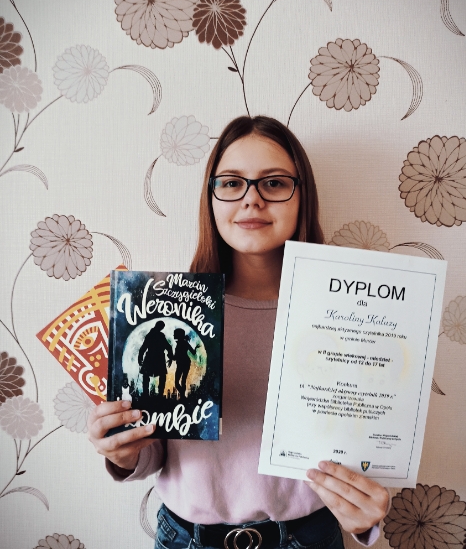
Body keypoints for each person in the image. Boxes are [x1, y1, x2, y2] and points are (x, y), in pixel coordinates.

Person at [87, 116, 390, 549]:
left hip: (308, 537)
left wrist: (363, 516)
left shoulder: (349, 317)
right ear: (210, 197)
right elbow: (158, 446)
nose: (252, 199)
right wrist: (123, 451)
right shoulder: (167, 309)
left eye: (274, 183)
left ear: (303, 195)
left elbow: (363, 448)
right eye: (231, 183)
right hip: (186, 538)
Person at [137, 320, 173, 398]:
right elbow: (169, 347)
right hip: (157, 358)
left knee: (147, 376)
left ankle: (147, 394)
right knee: (160, 376)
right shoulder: (159, 335)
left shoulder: (150, 335)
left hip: (151, 357)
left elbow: (143, 348)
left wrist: (140, 358)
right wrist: (170, 357)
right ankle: (158, 394)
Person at [171, 328, 196, 398]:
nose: (173, 335)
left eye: (175, 334)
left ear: (179, 335)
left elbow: (176, 357)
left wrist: (170, 356)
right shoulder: (185, 343)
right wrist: (196, 349)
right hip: (186, 362)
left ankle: (182, 395)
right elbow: (193, 352)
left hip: (181, 363)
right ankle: (183, 395)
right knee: (183, 380)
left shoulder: (180, 344)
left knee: (177, 382)